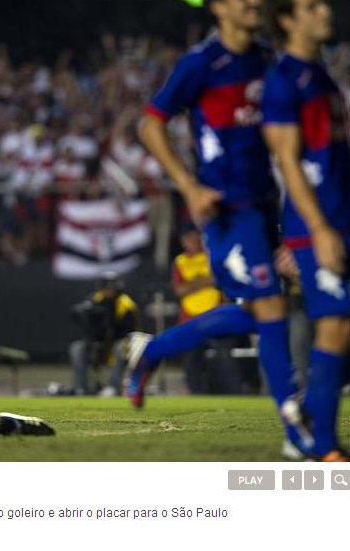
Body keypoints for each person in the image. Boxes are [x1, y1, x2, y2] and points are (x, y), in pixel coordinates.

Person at [128, 0, 309, 454]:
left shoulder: (269, 59)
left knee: (261, 312)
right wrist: (188, 186)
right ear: (219, 8)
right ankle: (295, 425)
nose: (255, 3)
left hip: (267, 206)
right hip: (226, 209)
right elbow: (150, 125)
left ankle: (151, 352)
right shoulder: (201, 63)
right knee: (268, 307)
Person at [262, 0, 350, 461]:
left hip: (340, 216)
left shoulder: (321, 77)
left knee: (341, 324)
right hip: (317, 224)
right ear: (287, 20)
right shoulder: (283, 81)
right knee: (334, 322)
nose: (325, 12)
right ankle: (321, 444)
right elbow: (288, 161)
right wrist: (319, 229)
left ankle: (311, 429)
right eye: (312, 6)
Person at [172, 223, 243, 394]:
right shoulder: (180, 262)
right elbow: (179, 290)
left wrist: (193, 284)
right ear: (183, 241)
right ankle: (197, 396)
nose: (194, 240)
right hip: (190, 318)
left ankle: (235, 394)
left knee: (225, 358)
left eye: (196, 236)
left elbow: (222, 282)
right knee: (191, 360)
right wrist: (206, 281)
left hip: (215, 315)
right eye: (189, 237)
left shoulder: (212, 255)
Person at [69, 272, 140, 396]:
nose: (108, 291)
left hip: (121, 341)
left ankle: (114, 387)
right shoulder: (96, 299)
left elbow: (129, 332)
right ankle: (81, 388)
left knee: (119, 348)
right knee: (77, 348)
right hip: (100, 340)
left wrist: (111, 325)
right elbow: (84, 317)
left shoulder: (125, 305)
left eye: (111, 288)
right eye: (106, 288)